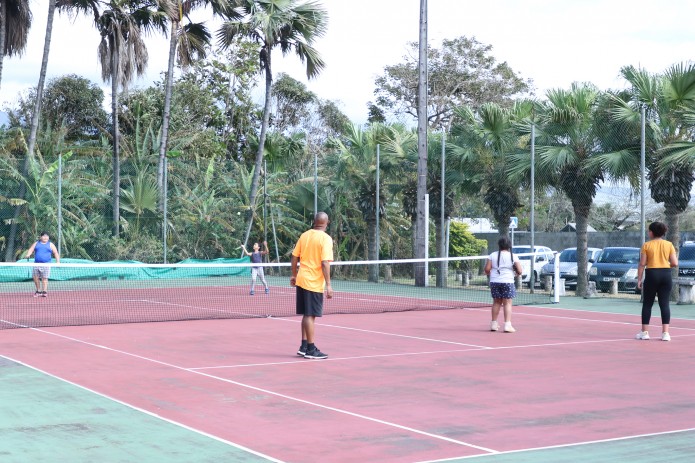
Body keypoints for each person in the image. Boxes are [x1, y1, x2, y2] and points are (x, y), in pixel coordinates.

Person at [290, 212, 333, 359]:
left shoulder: (305, 235)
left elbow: (294, 256)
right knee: (310, 315)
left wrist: (294, 275)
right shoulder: (326, 239)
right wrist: (329, 285)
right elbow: (325, 262)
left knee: (306, 314)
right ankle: (311, 349)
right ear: (327, 223)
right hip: (312, 282)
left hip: (302, 279)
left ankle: (303, 345)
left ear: (314, 222)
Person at [636, 221, 678, 341]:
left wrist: (639, 279)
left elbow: (642, 264)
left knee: (647, 304)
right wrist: (665, 265)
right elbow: (675, 263)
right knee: (664, 304)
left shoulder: (646, 245)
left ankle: (644, 333)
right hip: (666, 274)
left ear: (652, 232)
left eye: (649, 231)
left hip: (652, 274)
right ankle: (665, 333)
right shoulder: (669, 244)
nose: (648, 233)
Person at [484, 236, 522, 333]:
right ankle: (507, 325)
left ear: (499, 245)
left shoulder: (492, 255)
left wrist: (492, 274)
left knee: (496, 302)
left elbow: (487, 270)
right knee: (507, 303)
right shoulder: (513, 256)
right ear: (509, 245)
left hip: (495, 281)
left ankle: (494, 324)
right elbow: (520, 271)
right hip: (508, 281)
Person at [24, 231, 60, 298]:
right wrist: (28, 254)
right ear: (40, 237)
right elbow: (31, 249)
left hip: (46, 264)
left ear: (48, 237)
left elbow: (56, 253)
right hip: (36, 264)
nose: (45, 237)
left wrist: (58, 262)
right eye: (44, 236)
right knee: (35, 278)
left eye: (47, 236)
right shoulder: (36, 243)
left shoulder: (51, 245)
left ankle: (44, 291)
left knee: (44, 278)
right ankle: (38, 291)